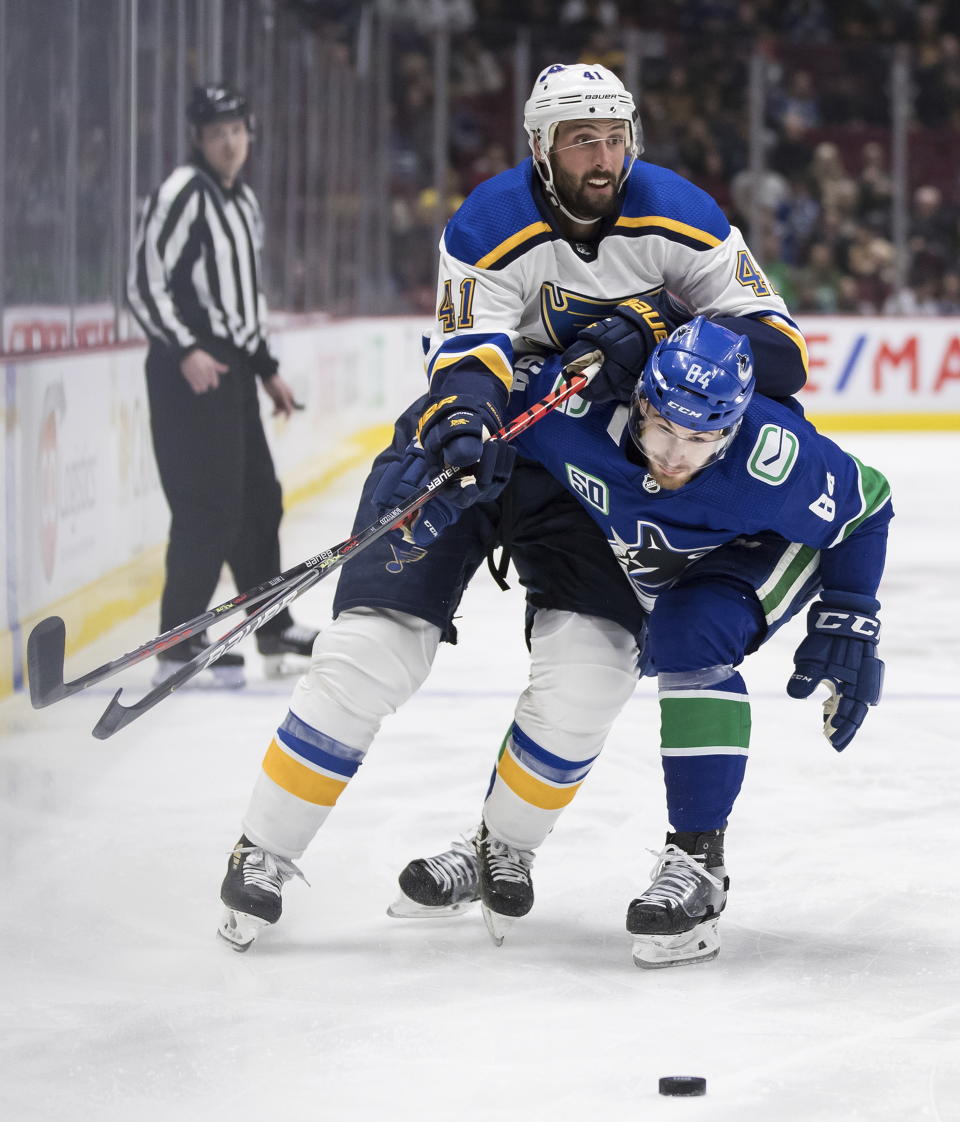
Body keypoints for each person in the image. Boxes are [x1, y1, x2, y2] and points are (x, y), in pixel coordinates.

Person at [216, 63, 809, 951]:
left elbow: (783, 352)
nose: (603, 157)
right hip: (481, 444)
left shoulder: (682, 215)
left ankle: (502, 846)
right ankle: (261, 850)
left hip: (590, 473)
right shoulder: (490, 221)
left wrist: (655, 326)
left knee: (595, 671)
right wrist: (462, 425)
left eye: (614, 136)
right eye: (581, 140)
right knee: (370, 650)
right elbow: (467, 352)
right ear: (541, 147)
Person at [393, 316, 891, 967]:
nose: (677, 455)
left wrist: (849, 611)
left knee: (690, 629)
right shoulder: (567, 408)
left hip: (755, 554)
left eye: (703, 437)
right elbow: (469, 396)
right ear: (640, 401)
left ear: (735, 424)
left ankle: (699, 869)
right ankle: (499, 843)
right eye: (664, 428)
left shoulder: (775, 458)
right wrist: (428, 466)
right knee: (580, 678)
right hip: (643, 561)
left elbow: (867, 504)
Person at [127, 84, 317, 688]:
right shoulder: (183, 193)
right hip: (190, 376)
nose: (229, 141)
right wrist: (185, 348)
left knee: (260, 498)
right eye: (216, 133)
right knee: (207, 505)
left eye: (236, 129)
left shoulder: (244, 203)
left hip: (232, 373)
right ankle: (180, 638)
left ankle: (270, 622)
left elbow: (241, 303)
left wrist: (266, 370)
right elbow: (144, 283)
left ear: (249, 132)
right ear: (198, 140)